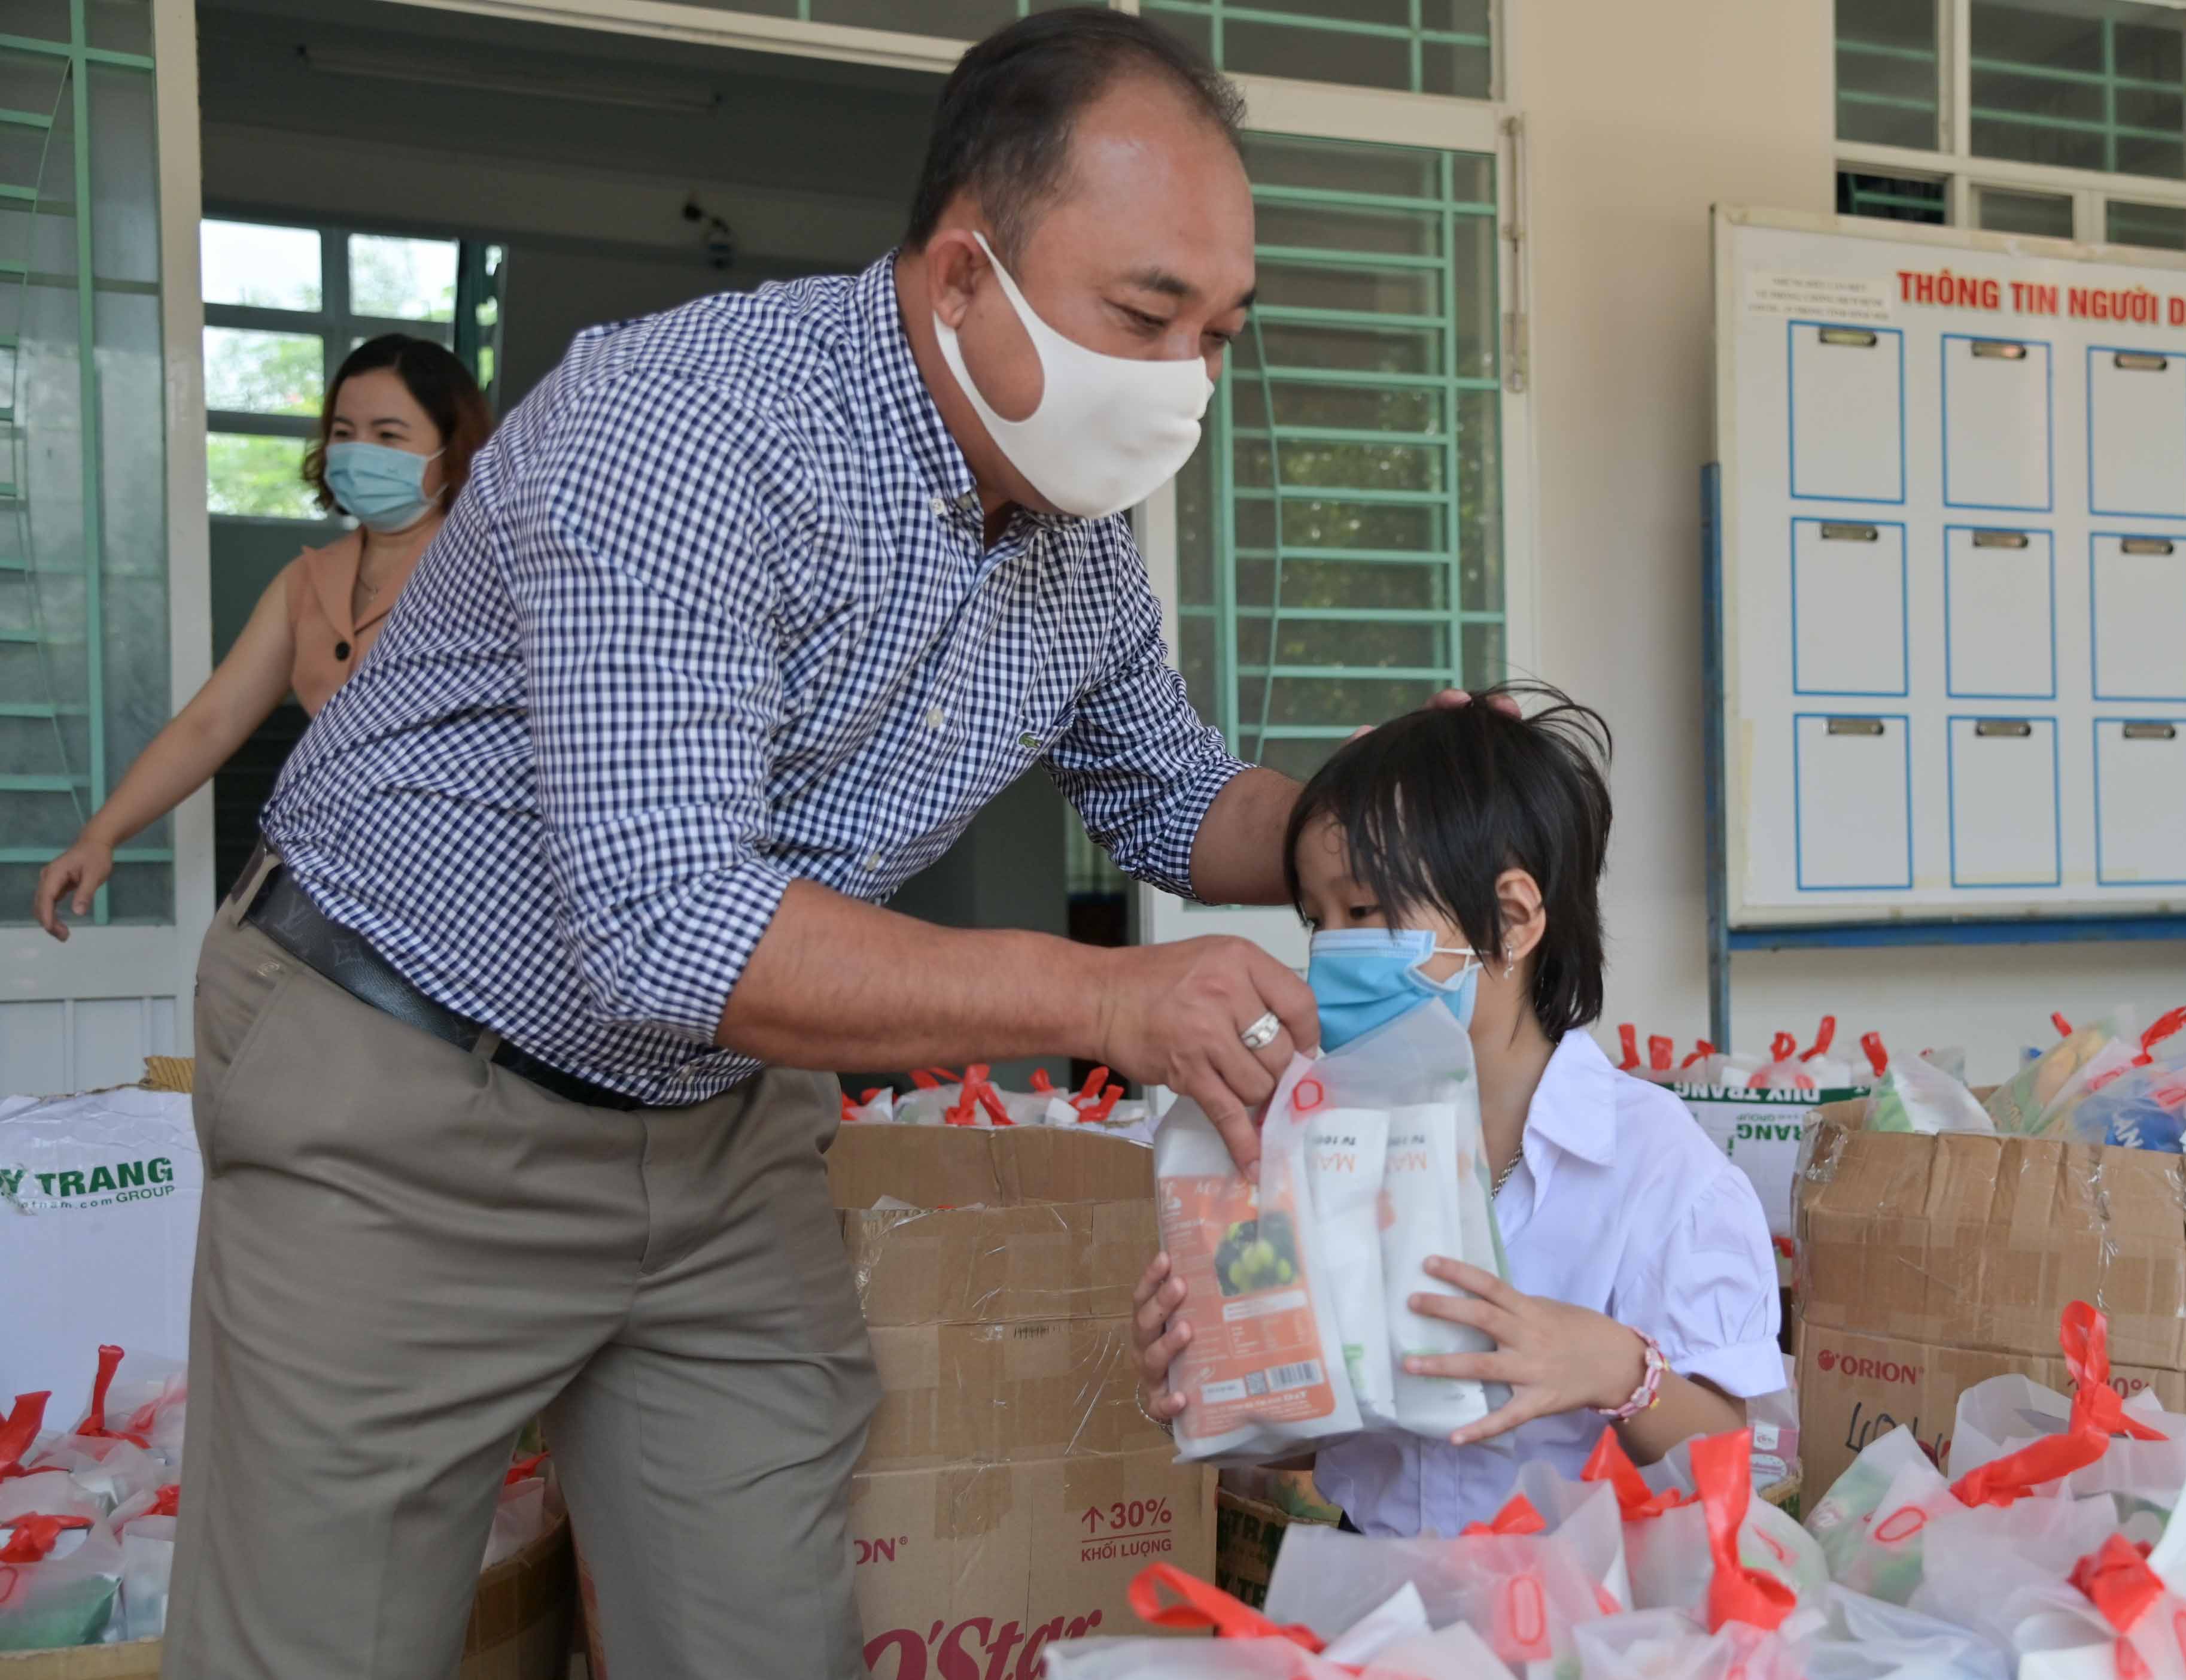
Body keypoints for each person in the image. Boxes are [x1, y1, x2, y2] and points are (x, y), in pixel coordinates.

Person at [160, 14, 1422, 1680]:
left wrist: (1381, 808)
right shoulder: (690, 432)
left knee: (761, 1623)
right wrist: (1111, 999)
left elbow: (1169, 791)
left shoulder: (1069, 538)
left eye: (1216, 333)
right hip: (403, 1088)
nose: (1182, 378)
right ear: (964, 274)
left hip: (714, 1124)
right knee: (318, 1646)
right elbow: (673, 923)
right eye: (1142, 315)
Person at [1127, 689, 1787, 1536]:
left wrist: (1614, 1365)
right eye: (1317, 919)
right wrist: (1218, 1373)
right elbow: (1335, 1426)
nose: (1332, 949)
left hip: (1586, 1620)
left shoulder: (1656, 1165)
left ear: (1511, 919)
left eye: (1364, 911)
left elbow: (1727, 1451)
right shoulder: (1319, 1140)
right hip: (1376, 1601)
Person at [29, 334, 489, 939]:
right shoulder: (307, 579)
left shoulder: (490, 568)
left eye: (388, 435)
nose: (356, 452)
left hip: (459, 891)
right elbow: (211, 721)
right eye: (343, 432)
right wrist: (101, 834)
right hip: (328, 882)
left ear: (450, 448)